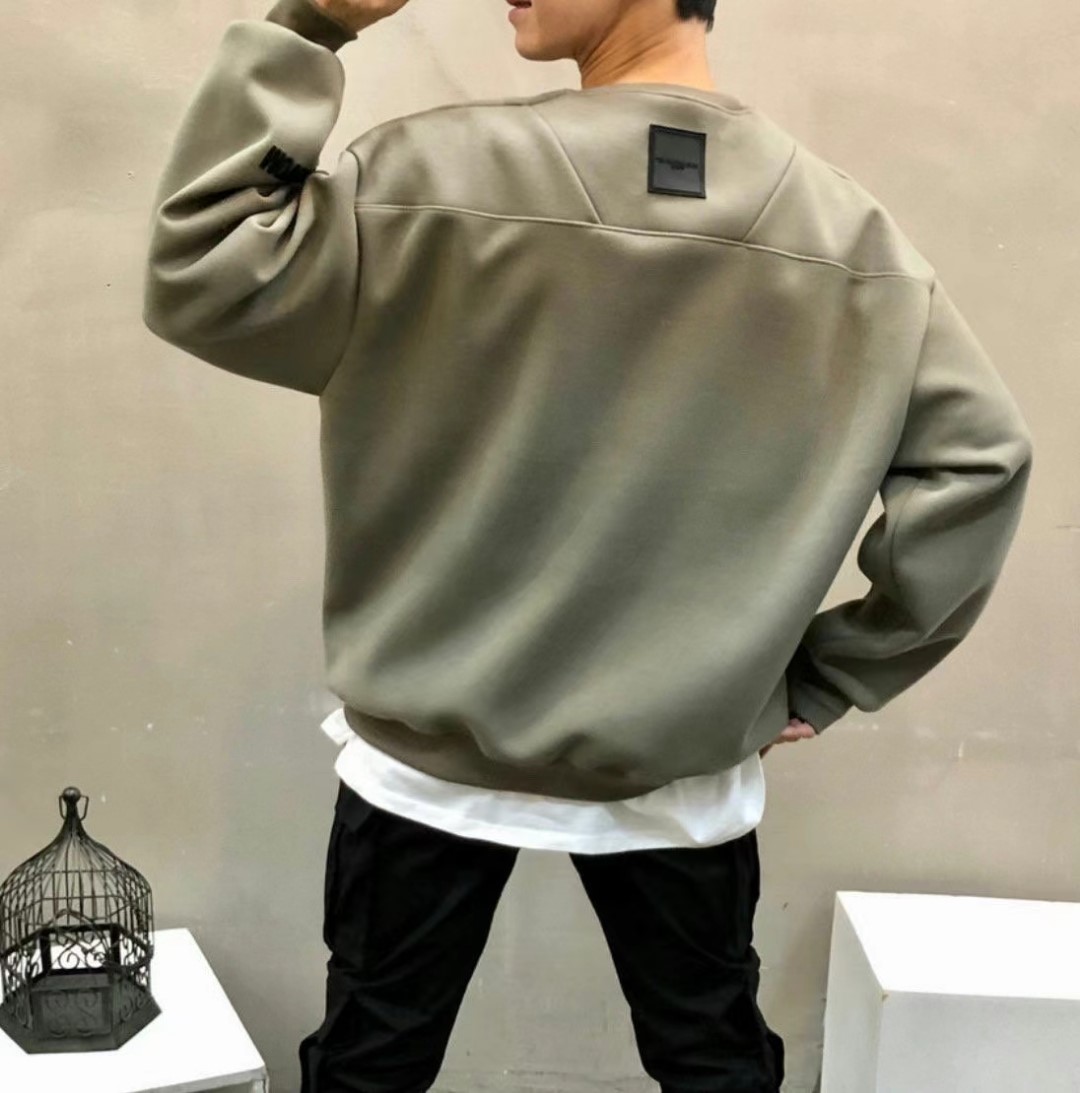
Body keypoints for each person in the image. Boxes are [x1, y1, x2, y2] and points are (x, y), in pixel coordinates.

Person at [141, 0, 1034, 1089]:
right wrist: (834, 671)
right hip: (680, 768)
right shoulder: (852, 241)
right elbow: (979, 463)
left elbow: (205, 272)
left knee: (372, 1059)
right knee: (712, 1059)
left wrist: (312, 24)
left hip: (429, 758)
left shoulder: (426, 176)